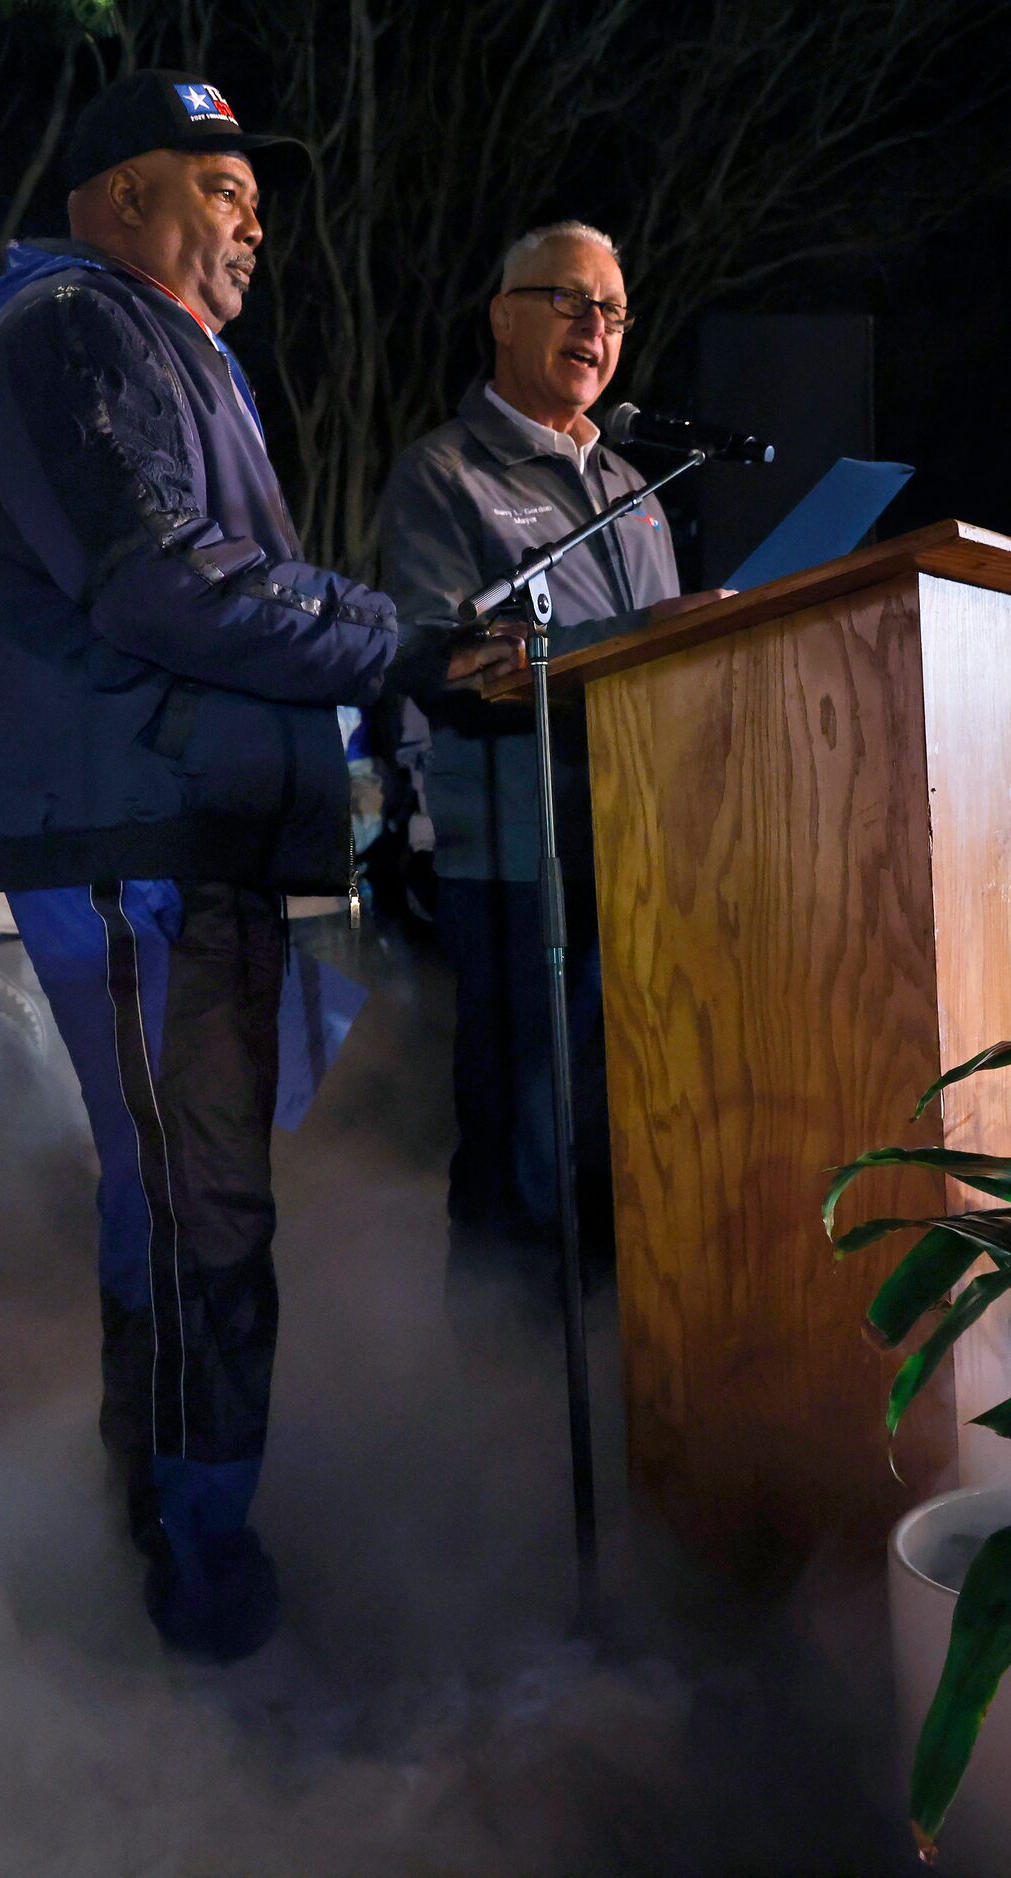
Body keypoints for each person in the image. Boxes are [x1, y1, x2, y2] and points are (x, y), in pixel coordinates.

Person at [0, 70, 511, 1663]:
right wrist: (407, 646)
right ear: (122, 197)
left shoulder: (165, 352)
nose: (256, 219)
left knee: (177, 1197)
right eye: (223, 189)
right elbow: (159, 582)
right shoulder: (74, 336)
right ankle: (203, 1585)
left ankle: (158, 1506)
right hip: (137, 842)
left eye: (256, 200)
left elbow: (219, 579)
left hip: (184, 836)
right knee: (204, 1213)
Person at [376, 220, 712, 1296]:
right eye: (570, 300)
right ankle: (494, 1415)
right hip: (519, 863)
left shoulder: (632, 489)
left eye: (612, 311)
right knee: (524, 1146)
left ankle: (622, 1387)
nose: (595, 327)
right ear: (504, 315)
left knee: (629, 1141)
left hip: (643, 856)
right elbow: (438, 654)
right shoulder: (445, 475)